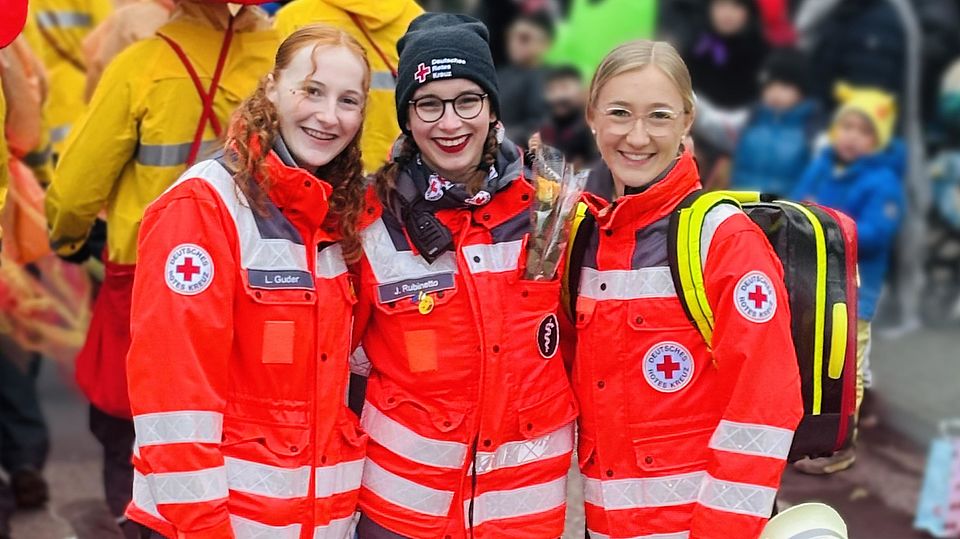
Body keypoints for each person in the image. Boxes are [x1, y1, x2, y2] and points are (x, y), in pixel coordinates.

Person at [126, 24, 371, 538]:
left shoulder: (334, 213)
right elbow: (176, 396)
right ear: (272, 87)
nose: (329, 116)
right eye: (311, 90)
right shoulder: (203, 206)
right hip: (215, 524)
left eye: (348, 100)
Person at [44, 2, 277, 535]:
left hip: (148, 269)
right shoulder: (282, 65)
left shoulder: (141, 66)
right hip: (260, 267)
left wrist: (69, 238)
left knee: (133, 410)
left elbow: (76, 188)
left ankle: (135, 518)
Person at [353, 12, 578, 539]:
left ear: (493, 110)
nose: (449, 124)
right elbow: (340, 354)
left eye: (467, 101)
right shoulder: (369, 216)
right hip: (403, 510)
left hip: (523, 510)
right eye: (428, 104)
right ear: (407, 117)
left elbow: (583, 344)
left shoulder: (554, 206)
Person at [569, 40, 802, 539]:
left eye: (658, 115)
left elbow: (765, 404)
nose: (637, 135)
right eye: (619, 113)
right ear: (592, 117)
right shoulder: (582, 236)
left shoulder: (725, 239)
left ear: (687, 121)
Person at [791, 83, 906, 475]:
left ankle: (841, 444)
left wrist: (822, 218)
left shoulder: (883, 183)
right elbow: (796, 202)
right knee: (811, 362)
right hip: (814, 285)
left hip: (856, 292)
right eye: (847, 127)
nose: (852, 137)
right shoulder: (823, 162)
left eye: (864, 131)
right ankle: (811, 433)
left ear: (877, 141)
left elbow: (875, 235)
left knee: (846, 369)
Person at [274, 0, 422, 173]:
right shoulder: (416, 18)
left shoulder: (295, 16)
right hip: (396, 173)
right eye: (313, 91)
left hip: (314, 166)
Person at [730, 47, 822, 195]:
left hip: (787, 212)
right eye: (770, 85)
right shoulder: (750, 119)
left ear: (802, 91)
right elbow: (718, 126)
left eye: (785, 86)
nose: (775, 93)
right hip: (740, 206)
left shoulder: (812, 129)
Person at [496, 10, 553, 146]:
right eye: (511, 37)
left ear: (544, 44)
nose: (514, 44)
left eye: (524, 38)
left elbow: (541, 126)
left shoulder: (549, 81)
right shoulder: (501, 74)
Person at [529, 65, 597, 172]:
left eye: (564, 88)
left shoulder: (591, 127)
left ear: (580, 91)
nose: (558, 95)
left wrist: (545, 153)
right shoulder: (543, 126)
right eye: (552, 90)